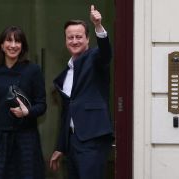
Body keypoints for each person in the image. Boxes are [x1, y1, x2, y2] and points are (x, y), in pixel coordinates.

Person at [49, 5, 113, 179]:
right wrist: (61, 147)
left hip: (93, 138)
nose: (74, 41)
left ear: (87, 39)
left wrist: (98, 25)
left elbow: (106, 53)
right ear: (65, 41)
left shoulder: (95, 59)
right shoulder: (65, 74)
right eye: (70, 37)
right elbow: (66, 113)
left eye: (79, 37)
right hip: (73, 142)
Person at [0, 26, 46, 179]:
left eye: (18, 41)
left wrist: (27, 112)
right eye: (9, 40)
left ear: (23, 46)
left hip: (26, 139)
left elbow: (42, 105)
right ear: (2, 45)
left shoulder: (33, 70)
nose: (13, 45)